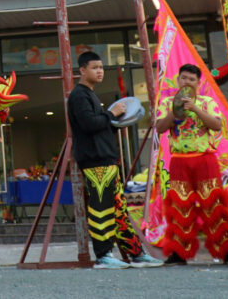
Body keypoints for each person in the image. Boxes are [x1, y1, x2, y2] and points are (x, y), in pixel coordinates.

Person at [66, 50, 160, 269]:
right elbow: (89, 124)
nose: (100, 71)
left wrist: (113, 118)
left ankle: (136, 253)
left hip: (106, 160)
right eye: (94, 68)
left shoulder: (90, 94)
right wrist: (112, 114)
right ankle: (103, 256)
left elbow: (99, 124)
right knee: (101, 207)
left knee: (118, 208)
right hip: (95, 161)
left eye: (101, 67)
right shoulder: (79, 95)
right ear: (82, 70)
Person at [153, 64, 228, 264]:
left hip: (205, 160)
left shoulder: (207, 102)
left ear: (198, 83)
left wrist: (195, 109)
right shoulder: (166, 103)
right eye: (184, 78)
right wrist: (175, 110)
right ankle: (178, 253)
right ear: (178, 80)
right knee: (180, 206)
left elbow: (216, 125)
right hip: (179, 161)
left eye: (191, 79)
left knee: (213, 205)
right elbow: (160, 128)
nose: (187, 82)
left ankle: (226, 251)